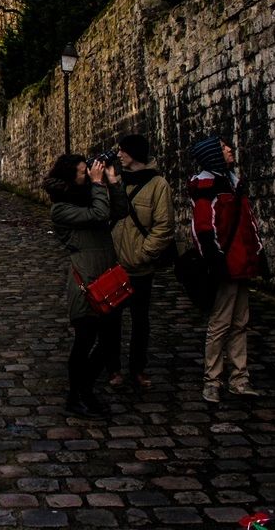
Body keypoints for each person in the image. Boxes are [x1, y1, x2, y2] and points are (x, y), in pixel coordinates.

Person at [44, 153, 127, 417]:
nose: (87, 174)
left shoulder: (90, 194)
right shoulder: (61, 208)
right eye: (83, 172)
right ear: (71, 176)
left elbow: (120, 211)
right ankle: (75, 395)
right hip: (86, 280)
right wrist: (99, 184)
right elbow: (99, 213)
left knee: (110, 341)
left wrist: (112, 182)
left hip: (107, 273)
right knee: (85, 340)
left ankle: (86, 388)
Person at [189, 135, 269, 403]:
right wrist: (215, 261)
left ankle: (239, 378)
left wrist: (257, 251)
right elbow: (204, 229)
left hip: (241, 263)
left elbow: (249, 221)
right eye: (223, 148)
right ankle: (212, 380)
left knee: (240, 322)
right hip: (225, 265)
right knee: (221, 324)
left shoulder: (233, 184)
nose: (229, 149)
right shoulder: (208, 187)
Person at [106, 134, 174, 390]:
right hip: (114, 266)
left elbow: (164, 226)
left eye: (123, 150)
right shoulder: (117, 180)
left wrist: (144, 253)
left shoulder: (158, 185)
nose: (119, 155)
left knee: (140, 322)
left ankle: (138, 368)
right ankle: (113, 368)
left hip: (140, 267)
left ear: (134, 153)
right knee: (111, 321)